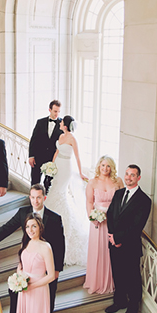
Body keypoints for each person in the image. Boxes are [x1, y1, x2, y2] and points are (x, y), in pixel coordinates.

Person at [0, 184, 65, 313]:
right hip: (28, 260)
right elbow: (6, 229)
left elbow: (60, 245)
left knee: (50, 290)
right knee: (15, 288)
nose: (36, 201)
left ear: (44, 198)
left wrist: (57, 268)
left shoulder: (54, 218)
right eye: (33, 198)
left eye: (39, 198)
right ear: (30, 198)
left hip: (46, 261)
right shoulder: (23, 213)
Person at [104, 165, 152, 313]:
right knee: (117, 274)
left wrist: (119, 238)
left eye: (132, 175)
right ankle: (119, 301)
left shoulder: (144, 200)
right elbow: (110, 215)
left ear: (138, 178)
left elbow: (137, 225)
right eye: (127, 174)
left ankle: (132, 307)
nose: (128, 177)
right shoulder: (118, 194)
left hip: (129, 246)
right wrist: (112, 237)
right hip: (114, 243)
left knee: (132, 278)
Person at [44, 115, 89, 266]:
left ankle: (65, 223)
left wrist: (81, 173)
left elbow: (77, 156)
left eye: (62, 122)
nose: (60, 122)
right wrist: (51, 165)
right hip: (57, 166)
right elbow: (57, 152)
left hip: (66, 168)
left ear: (66, 124)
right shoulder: (61, 136)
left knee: (60, 192)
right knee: (54, 189)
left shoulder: (72, 138)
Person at [13, 213, 54, 313]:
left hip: (38, 291)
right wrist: (19, 276)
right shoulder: (26, 243)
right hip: (24, 290)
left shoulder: (45, 247)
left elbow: (50, 275)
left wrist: (32, 285)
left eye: (34, 226)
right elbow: (21, 264)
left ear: (40, 228)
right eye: (28, 227)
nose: (30, 230)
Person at [83, 155, 123, 294]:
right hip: (98, 222)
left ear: (111, 167)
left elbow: (122, 202)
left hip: (113, 221)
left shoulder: (117, 181)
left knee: (111, 251)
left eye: (108, 166)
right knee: (98, 250)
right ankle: (96, 282)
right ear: (99, 166)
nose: (105, 168)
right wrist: (91, 217)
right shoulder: (92, 182)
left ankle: (112, 281)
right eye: (103, 165)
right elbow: (89, 202)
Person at [28, 100, 63, 189]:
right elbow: (34, 140)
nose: (57, 114)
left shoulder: (62, 124)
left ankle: (47, 203)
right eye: (55, 111)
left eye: (59, 111)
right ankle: (34, 202)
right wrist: (31, 156)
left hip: (52, 159)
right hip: (38, 157)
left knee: (49, 184)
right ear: (49, 110)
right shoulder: (40, 122)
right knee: (35, 182)